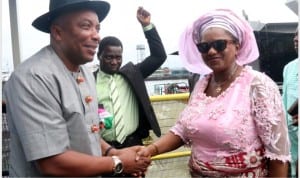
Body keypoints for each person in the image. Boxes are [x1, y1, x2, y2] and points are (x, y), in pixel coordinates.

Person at [3, 0, 150, 176]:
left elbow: (88, 131)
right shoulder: (33, 78)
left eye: (98, 28)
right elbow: (52, 162)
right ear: (57, 32)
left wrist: (113, 152)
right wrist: (118, 163)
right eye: (86, 26)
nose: (96, 36)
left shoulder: (86, 73)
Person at [137, 8, 291, 177]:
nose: (211, 51)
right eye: (204, 47)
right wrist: (151, 149)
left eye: (219, 44)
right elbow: (182, 129)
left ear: (237, 46)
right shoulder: (201, 83)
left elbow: (278, 156)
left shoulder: (258, 86)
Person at [94, 7, 167, 149]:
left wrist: (147, 26)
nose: (114, 62)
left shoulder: (132, 74)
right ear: (99, 56)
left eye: (118, 57)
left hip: (132, 144)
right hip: (102, 147)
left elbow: (159, 56)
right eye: (109, 57)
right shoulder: (89, 81)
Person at [282, 29, 298, 177]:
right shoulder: (289, 67)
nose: (296, 39)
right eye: (295, 34)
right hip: (290, 128)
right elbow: (285, 98)